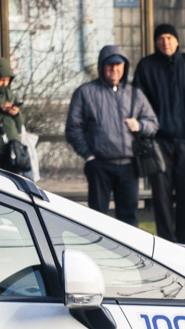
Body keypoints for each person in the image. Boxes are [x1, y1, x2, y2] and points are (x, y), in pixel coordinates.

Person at [134, 23, 185, 244]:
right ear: (155, 42)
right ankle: (165, 245)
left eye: (169, 37)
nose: (165, 42)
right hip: (159, 142)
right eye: (161, 38)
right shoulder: (146, 66)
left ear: (177, 40)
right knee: (161, 197)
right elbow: (138, 102)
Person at [65, 45, 159, 227]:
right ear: (102, 66)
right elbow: (73, 128)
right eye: (110, 65)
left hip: (129, 167)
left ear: (124, 67)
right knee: (97, 219)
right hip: (99, 165)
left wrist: (140, 125)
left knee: (128, 220)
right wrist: (89, 155)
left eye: (118, 65)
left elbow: (153, 123)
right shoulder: (86, 92)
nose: (114, 69)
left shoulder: (135, 94)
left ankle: (128, 247)